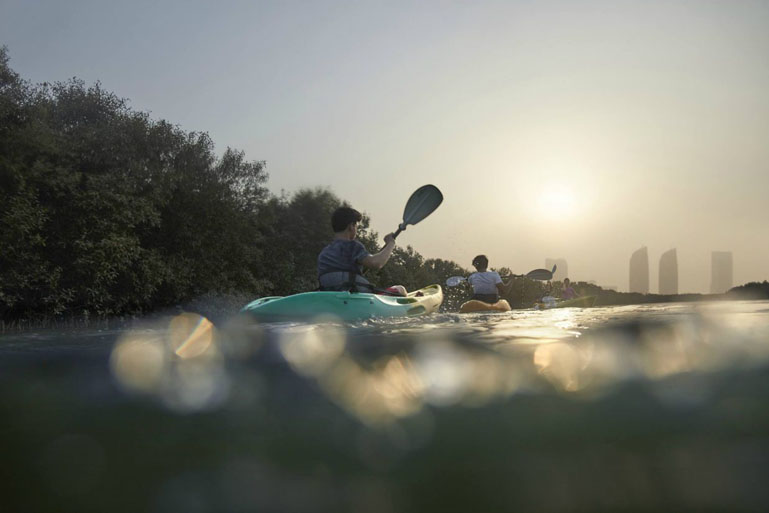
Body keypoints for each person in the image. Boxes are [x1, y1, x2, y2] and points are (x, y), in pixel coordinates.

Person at [317, 206, 404, 295]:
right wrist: (391, 243)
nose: (356, 230)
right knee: (400, 289)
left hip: (330, 297)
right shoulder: (352, 246)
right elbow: (376, 263)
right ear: (351, 226)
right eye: (356, 226)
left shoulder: (324, 253)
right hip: (352, 297)